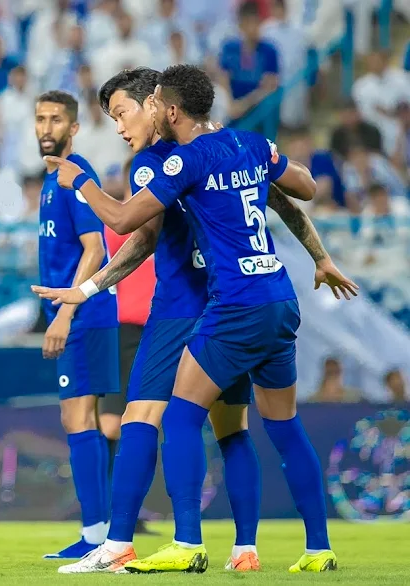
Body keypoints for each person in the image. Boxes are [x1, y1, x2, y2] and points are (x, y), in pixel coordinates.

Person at [35, 67, 353, 574]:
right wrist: (320, 255)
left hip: (204, 307)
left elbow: (133, 231)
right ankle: (264, 548)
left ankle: (138, 542)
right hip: (271, 297)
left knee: (154, 415)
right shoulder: (243, 145)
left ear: (160, 106)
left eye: (123, 112)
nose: (119, 126)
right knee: (241, 427)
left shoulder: (166, 161)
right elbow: (294, 192)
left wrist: (84, 186)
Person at [34, 90, 119, 559]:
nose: (46, 128)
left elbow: (95, 248)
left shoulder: (73, 178)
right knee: (80, 419)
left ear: (74, 127)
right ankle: (98, 535)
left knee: (79, 418)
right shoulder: (51, 181)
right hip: (78, 314)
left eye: (56, 120)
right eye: (41, 120)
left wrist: (65, 314)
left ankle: (98, 537)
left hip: (85, 315)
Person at [96, 157, 158, 540]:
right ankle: (106, 513)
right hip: (123, 332)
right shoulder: (118, 224)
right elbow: (124, 226)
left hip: (160, 330)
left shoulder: (166, 218)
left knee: (144, 422)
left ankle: (126, 513)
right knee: (111, 423)